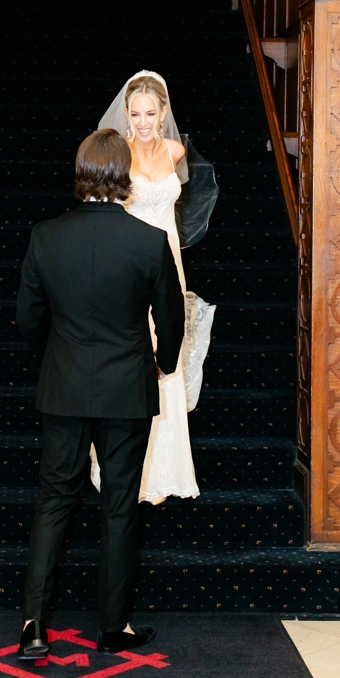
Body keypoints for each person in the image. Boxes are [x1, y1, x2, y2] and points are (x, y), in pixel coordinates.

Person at [16, 129, 185, 659]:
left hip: (64, 386)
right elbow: (172, 320)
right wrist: (162, 364)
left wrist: (57, 356)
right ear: (124, 174)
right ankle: (114, 628)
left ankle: (33, 626)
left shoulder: (46, 236)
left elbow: (28, 318)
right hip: (127, 389)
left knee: (54, 500)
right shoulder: (148, 241)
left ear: (82, 171)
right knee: (119, 505)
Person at [92, 70, 216, 504]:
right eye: (135, 114)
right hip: (129, 264)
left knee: (167, 351)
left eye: (150, 113)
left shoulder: (176, 150)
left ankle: (163, 468)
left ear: (164, 113)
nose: (143, 122)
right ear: (126, 115)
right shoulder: (118, 155)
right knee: (132, 353)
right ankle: (123, 466)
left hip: (169, 261)